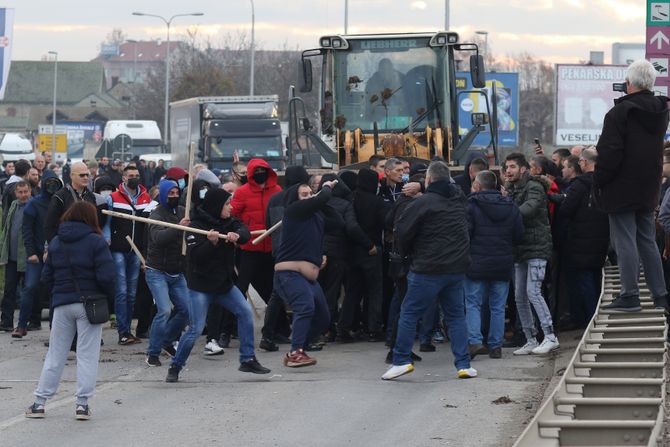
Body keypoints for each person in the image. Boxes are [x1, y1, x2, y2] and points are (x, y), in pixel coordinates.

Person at [382, 161, 476, 381]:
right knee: (456, 317)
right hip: (456, 268)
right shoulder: (459, 200)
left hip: (427, 268)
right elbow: (455, 187)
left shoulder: (422, 204)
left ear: (428, 180)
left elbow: (402, 233)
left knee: (409, 314)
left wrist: (409, 254)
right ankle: (464, 365)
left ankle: (401, 360)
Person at [166, 189, 271, 382]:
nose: (230, 207)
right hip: (200, 287)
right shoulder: (196, 226)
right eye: (227, 204)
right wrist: (211, 243)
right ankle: (176, 365)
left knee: (245, 312)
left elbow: (245, 232)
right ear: (217, 206)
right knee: (195, 329)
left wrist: (237, 235)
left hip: (223, 285)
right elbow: (196, 257)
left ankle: (247, 359)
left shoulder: (229, 221)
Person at [25, 201, 115, 420]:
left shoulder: (56, 241)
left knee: (56, 354)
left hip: (62, 304)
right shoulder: (96, 242)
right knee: (87, 355)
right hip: (89, 303)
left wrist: (59, 294)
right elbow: (107, 277)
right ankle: (82, 405)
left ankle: (39, 403)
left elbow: (47, 277)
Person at [597, 59, 670, 311]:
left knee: (625, 240)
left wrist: (599, 180)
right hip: (648, 185)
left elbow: (610, 153)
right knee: (646, 239)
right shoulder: (661, 112)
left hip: (621, 186)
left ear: (629, 84)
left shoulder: (618, 113)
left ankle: (629, 295)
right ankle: (660, 294)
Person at [273, 180, 339, 367]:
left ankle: (299, 346)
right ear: (295, 198)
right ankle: (296, 352)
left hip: (309, 279)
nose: (310, 197)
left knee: (323, 318)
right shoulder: (293, 211)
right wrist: (325, 188)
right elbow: (324, 195)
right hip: (289, 274)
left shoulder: (315, 216)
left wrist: (323, 204)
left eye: (311, 194)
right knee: (305, 306)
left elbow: (338, 223)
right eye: (305, 194)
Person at [504, 153, 560, 355]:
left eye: (512, 166)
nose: (508, 170)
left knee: (533, 292)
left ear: (523, 169)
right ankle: (530, 339)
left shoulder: (534, 187)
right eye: (506, 167)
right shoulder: (511, 189)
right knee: (520, 296)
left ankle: (550, 336)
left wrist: (503, 210)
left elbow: (527, 210)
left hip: (536, 247)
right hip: (520, 249)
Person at [464, 170, 523, 359]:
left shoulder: (471, 206)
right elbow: (518, 234)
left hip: (476, 262)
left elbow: (466, 234)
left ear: (478, 186)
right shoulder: (511, 205)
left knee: (473, 303)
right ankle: (496, 345)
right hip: (502, 262)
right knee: (498, 306)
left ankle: (474, 342)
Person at [229, 158, 282, 346]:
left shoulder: (277, 191)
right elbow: (232, 215)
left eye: (263, 169)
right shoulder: (242, 192)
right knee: (240, 289)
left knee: (274, 290)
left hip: (271, 249)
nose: (260, 173)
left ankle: (280, 329)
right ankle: (227, 331)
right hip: (249, 248)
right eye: (257, 170)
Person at [258, 166, 310, 351]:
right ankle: (303, 338)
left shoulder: (274, 199)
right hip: (298, 251)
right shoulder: (301, 197)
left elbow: (267, 226)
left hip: (278, 252)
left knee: (277, 294)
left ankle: (268, 335)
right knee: (302, 295)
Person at [558, 148, 610, 327]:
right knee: (596, 280)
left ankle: (590, 320)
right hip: (602, 237)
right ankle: (596, 316)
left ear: (586, 163)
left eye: (580, 161)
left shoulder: (579, 185)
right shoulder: (607, 183)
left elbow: (566, 209)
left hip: (580, 240)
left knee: (585, 281)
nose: (579, 163)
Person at [104, 165, 152, 345]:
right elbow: (107, 223)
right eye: (131, 175)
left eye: (137, 175)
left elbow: (147, 226)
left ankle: (127, 331)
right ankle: (123, 332)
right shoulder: (113, 198)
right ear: (123, 178)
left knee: (132, 293)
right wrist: (107, 239)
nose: (134, 178)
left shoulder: (146, 198)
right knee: (122, 291)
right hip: (118, 249)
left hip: (136, 250)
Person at [144, 179, 190, 366]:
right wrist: (179, 227)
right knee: (164, 310)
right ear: (163, 195)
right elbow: (159, 238)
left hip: (177, 271)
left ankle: (167, 340)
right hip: (157, 271)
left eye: (176, 193)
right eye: (170, 194)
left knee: (186, 311)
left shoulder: (182, 212)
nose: (174, 196)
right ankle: (153, 352)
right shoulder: (156, 216)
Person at [12, 173, 63, 338]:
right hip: (37, 255)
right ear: (42, 184)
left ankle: (55, 332)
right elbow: (26, 231)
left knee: (55, 291)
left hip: (57, 254)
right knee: (30, 287)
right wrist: (31, 253)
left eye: (55, 182)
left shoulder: (62, 202)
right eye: (49, 182)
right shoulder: (34, 204)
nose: (52, 186)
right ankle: (21, 325)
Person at [338, 168, 386, 342]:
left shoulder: (350, 199)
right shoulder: (377, 201)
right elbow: (386, 222)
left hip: (352, 252)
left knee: (352, 292)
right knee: (374, 292)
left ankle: (344, 327)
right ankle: (373, 329)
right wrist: (370, 244)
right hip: (371, 251)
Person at [0, 181, 32, 332]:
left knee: (28, 290)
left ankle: (29, 321)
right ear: (16, 193)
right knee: (9, 289)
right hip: (11, 257)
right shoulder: (13, 205)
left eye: (25, 191)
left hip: (27, 256)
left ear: (30, 191)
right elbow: (7, 228)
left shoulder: (33, 206)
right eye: (20, 192)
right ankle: (6, 322)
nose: (23, 195)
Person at [45, 162, 97, 243]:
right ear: (72, 175)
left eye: (87, 175)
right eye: (82, 175)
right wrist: (55, 246)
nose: (86, 178)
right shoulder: (60, 197)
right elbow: (50, 225)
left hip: (87, 243)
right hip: (65, 243)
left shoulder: (91, 196)